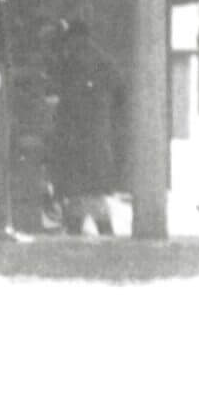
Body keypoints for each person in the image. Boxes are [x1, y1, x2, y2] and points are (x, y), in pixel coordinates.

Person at [47, 18, 121, 236]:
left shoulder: (74, 61)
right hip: (97, 132)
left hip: (77, 133)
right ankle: (97, 233)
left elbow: (66, 96)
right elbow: (119, 91)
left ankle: (81, 233)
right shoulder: (103, 60)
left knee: (80, 191)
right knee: (91, 192)